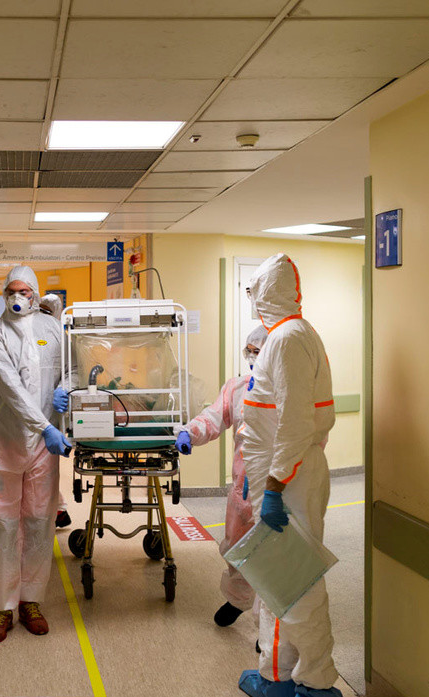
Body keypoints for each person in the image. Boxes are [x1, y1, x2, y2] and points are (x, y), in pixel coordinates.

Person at [237, 253, 340, 697]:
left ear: (266, 291)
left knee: (298, 583)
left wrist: (276, 484)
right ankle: (275, 675)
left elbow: (296, 423)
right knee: (274, 577)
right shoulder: (283, 336)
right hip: (278, 476)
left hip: (291, 480)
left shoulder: (289, 340)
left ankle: (317, 682)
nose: (251, 299)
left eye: (253, 290)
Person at [0, 266, 72, 644]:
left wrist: (63, 389)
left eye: (24, 291)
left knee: (38, 521)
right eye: (11, 291)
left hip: (42, 448)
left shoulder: (51, 329)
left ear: (34, 294)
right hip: (5, 440)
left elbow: (71, 366)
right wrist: (45, 426)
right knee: (2, 524)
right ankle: (2, 608)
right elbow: (13, 389)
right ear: (5, 294)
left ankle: (31, 601)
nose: (17, 298)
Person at [175, 324, 269, 627]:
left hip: (278, 485)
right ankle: (239, 600)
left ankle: (268, 631)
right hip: (243, 486)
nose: (253, 357)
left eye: (260, 352)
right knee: (236, 546)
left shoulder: (288, 391)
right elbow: (215, 416)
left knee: (274, 557)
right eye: (250, 351)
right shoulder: (238, 387)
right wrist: (191, 431)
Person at [38, 292, 73, 529]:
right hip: (25, 418)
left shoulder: (62, 336)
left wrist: (63, 389)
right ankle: (56, 510)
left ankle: (56, 511)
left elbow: (74, 370)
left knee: (45, 470)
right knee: (37, 472)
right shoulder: (23, 333)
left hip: (51, 414)